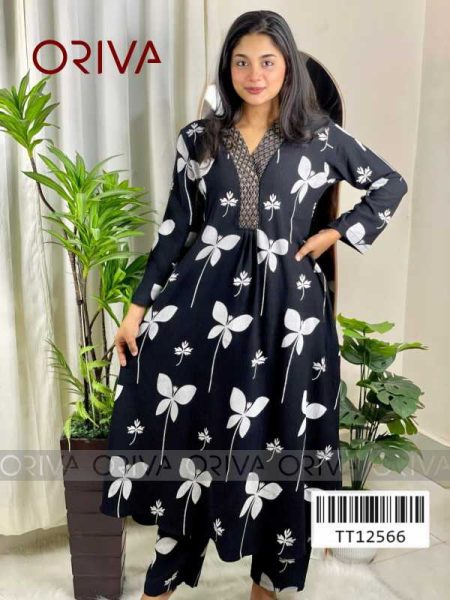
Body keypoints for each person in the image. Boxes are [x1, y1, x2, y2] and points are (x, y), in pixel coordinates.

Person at [99, 10, 408, 600]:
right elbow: (174, 230)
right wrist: (136, 310)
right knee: (195, 434)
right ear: (228, 67)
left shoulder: (320, 138)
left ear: (286, 66)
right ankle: (164, 578)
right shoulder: (198, 139)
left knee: (281, 435)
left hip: (289, 317)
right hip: (205, 309)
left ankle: (268, 583)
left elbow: (389, 183)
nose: (254, 74)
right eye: (241, 62)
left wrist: (337, 231)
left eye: (267, 61)